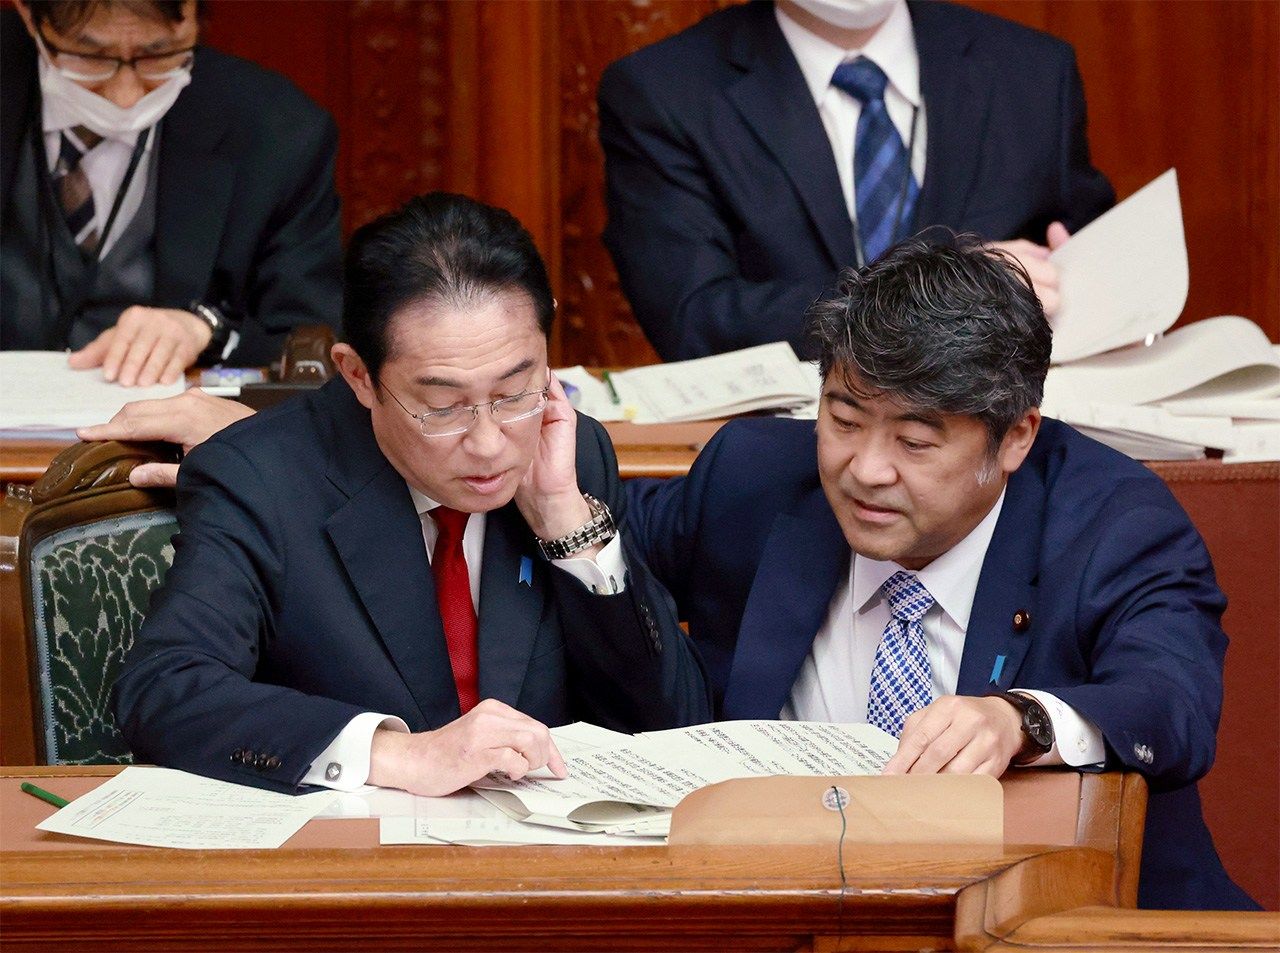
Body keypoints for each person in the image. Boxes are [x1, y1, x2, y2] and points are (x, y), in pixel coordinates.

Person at [624, 236, 1257, 910]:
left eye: (915, 442)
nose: (866, 469)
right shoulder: (754, 479)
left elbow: (1172, 701)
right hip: (793, 913)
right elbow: (608, 533)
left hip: (1075, 920)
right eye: (844, 420)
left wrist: (1021, 721)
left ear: (1015, 437)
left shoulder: (1114, 525)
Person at [112, 193, 710, 797]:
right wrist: (397, 755)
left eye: (514, 392)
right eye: (443, 406)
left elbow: (674, 722)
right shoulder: (264, 477)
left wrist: (567, 525)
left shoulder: (568, 454)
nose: (488, 444)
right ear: (358, 375)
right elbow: (165, 690)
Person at [598, 0, 1114, 361]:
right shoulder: (664, 91)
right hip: (793, 448)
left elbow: (1094, 264)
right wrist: (950, 295)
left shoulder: (1032, 70)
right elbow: (694, 318)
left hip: (1001, 444)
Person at [1, 0, 341, 385]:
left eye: (158, 55)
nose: (126, 96)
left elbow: (309, 337)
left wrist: (207, 329)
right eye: (90, 57)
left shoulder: (280, 133)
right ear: (29, 13)